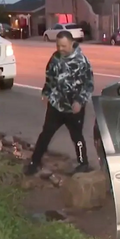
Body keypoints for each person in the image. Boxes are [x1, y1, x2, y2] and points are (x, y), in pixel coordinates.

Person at [24, 30, 94, 176]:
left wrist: (80, 102)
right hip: (56, 105)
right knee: (45, 134)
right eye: (58, 46)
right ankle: (34, 162)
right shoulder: (55, 58)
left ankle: (83, 163)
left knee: (77, 137)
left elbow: (89, 84)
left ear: (72, 43)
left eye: (63, 46)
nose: (60, 49)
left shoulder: (82, 61)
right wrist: (46, 92)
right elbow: (49, 76)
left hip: (74, 108)